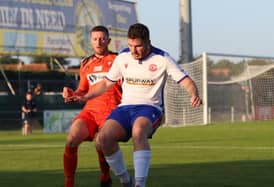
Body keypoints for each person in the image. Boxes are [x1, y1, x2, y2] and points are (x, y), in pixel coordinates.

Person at [71, 23, 202, 187]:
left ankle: (140, 184)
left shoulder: (162, 58)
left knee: (138, 131)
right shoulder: (123, 57)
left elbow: (186, 81)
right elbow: (105, 84)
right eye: (130, 45)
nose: (133, 51)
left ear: (148, 42)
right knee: (103, 139)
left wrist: (194, 93)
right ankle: (126, 181)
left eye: (138, 46)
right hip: (124, 108)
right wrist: (84, 97)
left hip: (150, 108)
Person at [62, 25, 122, 187]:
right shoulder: (86, 63)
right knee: (72, 138)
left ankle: (105, 176)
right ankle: (69, 183)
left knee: (101, 143)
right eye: (95, 39)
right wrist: (71, 94)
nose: (99, 42)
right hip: (90, 111)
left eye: (102, 38)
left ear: (108, 40)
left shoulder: (118, 60)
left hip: (111, 111)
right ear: (91, 41)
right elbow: (82, 89)